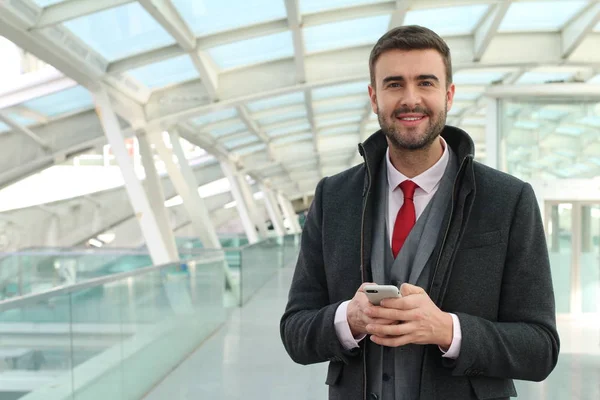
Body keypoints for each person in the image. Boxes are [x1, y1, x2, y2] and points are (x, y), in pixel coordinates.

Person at [280, 25, 559, 400]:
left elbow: (541, 349)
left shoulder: (508, 200)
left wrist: (447, 329)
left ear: (449, 95)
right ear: (373, 97)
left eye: (425, 83)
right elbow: (295, 332)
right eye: (394, 84)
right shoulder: (333, 198)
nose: (411, 99)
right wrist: (348, 318)